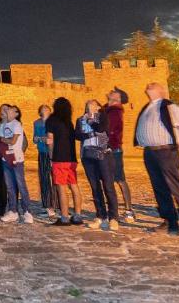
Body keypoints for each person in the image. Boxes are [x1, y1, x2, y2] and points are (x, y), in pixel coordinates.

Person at [135, 83, 179, 236]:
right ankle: (170, 221)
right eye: (148, 85)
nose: (149, 85)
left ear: (161, 90)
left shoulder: (169, 106)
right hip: (150, 152)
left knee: (175, 186)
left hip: (166, 151)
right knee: (159, 188)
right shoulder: (147, 107)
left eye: (154, 85)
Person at [77, 100, 119, 231]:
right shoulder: (80, 119)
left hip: (103, 155)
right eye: (88, 104)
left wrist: (90, 120)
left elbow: (101, 129)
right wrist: (89, 132)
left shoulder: (103, 117)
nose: (90, 106)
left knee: (108, 186)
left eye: (94, 104)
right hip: (88, 156)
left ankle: (113, 218)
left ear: (99, 107)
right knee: (95, 187)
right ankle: (101, 216)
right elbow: (77, 135)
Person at [45, 98, 83, 226]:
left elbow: (50, 140)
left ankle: (65, 217)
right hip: (71, 159)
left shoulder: (51, 120)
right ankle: (77, 216)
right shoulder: (69, 122)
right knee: (74, 186)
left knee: (61, 188)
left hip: (59, 158)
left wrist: (51, 157)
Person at [0, 104, 33, 223]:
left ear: (16, 114)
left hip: (17, 159)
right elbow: (1, 141)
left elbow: (13, 141)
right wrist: (5, 141)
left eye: (10, 110)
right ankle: (13, 211)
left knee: (21, 185)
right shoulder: (2, 125)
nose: (7, 112)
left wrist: (5, 140)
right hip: (5, 159)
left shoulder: (17, 124)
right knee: (10, 186)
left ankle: (27, 211)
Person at [105, 88, 135, 222]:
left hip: (113, 149)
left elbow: (112, 131)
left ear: (118, 99)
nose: (111, 93)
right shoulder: (108, 109)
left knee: (120, 180)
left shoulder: (115, 111)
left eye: (114, 94)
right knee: (111, 180)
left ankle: (128, 211)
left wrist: (110, 145)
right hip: (109, 149)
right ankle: (116, 210)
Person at [34, 104, 55, 219]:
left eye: (47, 108)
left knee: (55, 179)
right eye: (43, 108)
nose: (45, 110)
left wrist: (44, 139)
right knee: (44, 179)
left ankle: (56, 205)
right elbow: (34, 138)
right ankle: (47, 205)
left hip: (53, 153)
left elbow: (53, 138)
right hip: (42, 152)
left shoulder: (54, 122)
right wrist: (39, 139)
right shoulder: (37, 123)